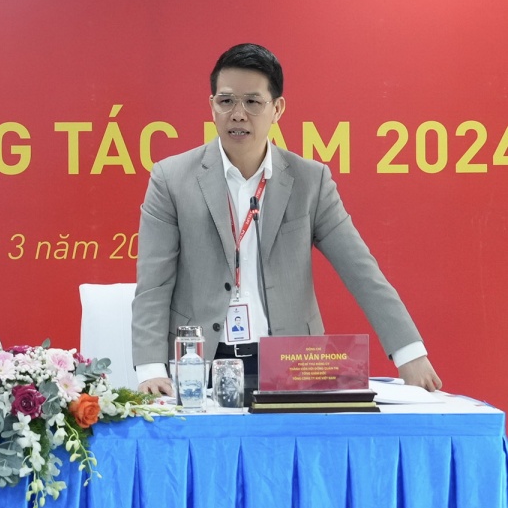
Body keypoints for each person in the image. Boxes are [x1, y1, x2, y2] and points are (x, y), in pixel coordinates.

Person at [132, 44, 442, 395]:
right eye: (226, 101)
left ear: (277, 108)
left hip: (293, 363)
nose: (238, 114)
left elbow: (361, 270)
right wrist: (151, 370)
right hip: (199, 363)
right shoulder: (171, 179)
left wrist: (409, 352)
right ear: (212, 106)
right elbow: (154, 283)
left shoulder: (310, 181)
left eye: (253, 102)